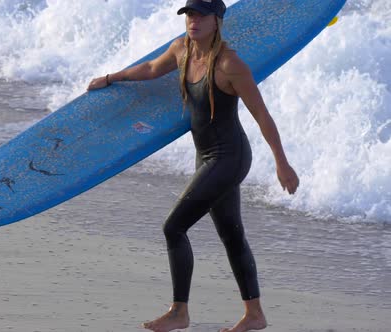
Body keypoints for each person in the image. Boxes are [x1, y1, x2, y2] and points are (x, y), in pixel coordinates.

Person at [87, 0, 300, 331]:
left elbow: (262, 114)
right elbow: (151, 69)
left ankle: (179, 312)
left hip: (230, 157)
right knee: (231, 234)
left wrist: (282, 163)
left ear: (217, 20)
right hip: (207, 156)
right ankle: (255, 314)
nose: (193, 20)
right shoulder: (181, 50)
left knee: (173, 227)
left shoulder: (230, 65)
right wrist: (111, 77)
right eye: (189, 14)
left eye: (201, 14)